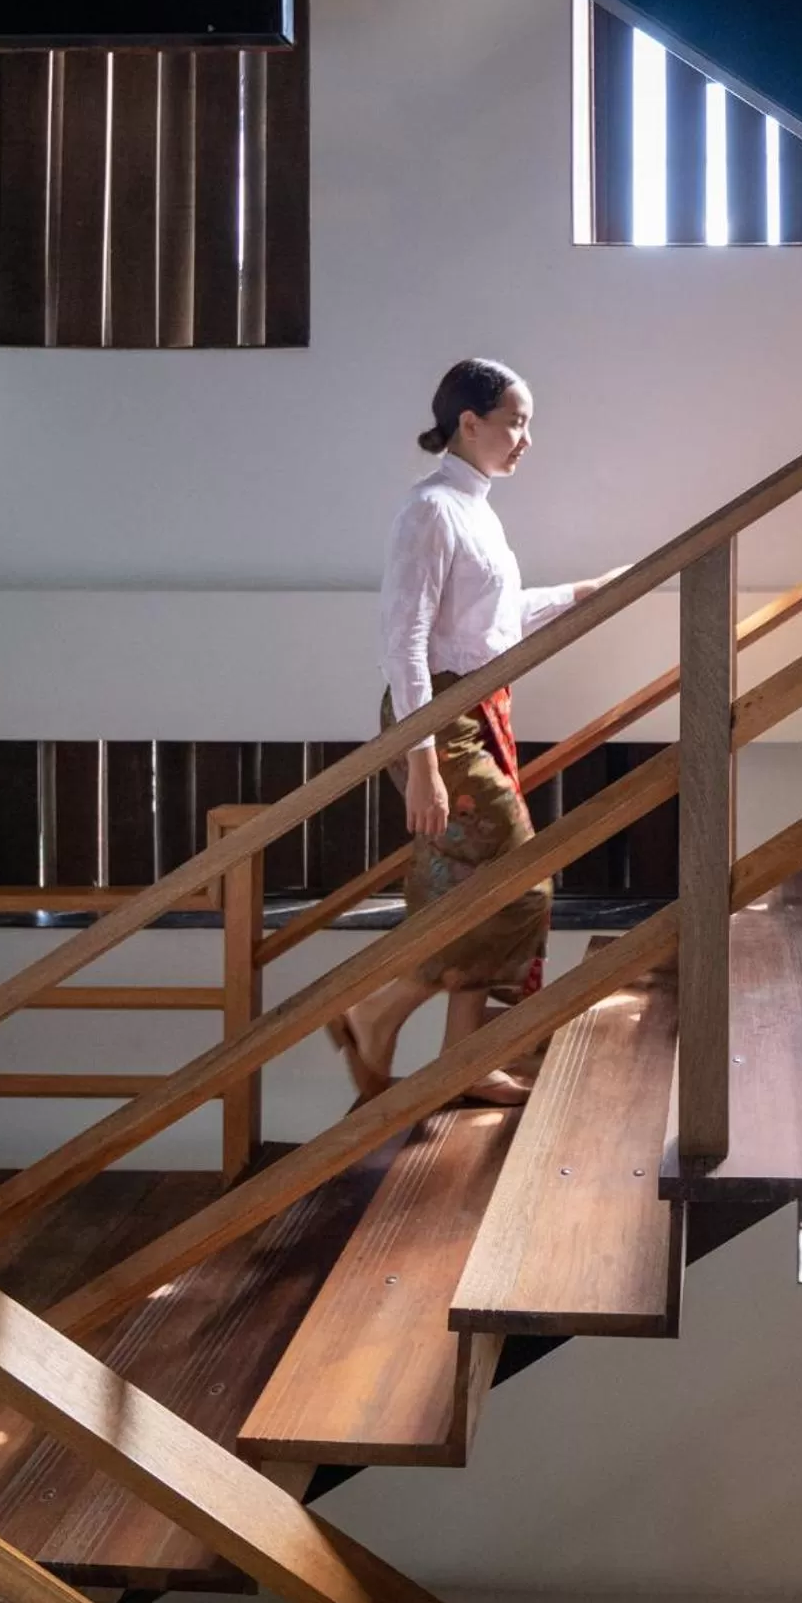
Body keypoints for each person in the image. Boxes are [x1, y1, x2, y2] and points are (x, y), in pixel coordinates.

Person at [329, 359, 624, 1104]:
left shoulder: (476, 509)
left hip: (474, 707)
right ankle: (377, 1012)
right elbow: (405, 640)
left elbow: (491, 622)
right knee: (520, 884)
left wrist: (582, 592)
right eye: (515, 422)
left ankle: (461, 1061)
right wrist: (423, 762)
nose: (526, 439)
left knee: (480, 889)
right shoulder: (429, 509)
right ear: (469, 421)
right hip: (439, 718)